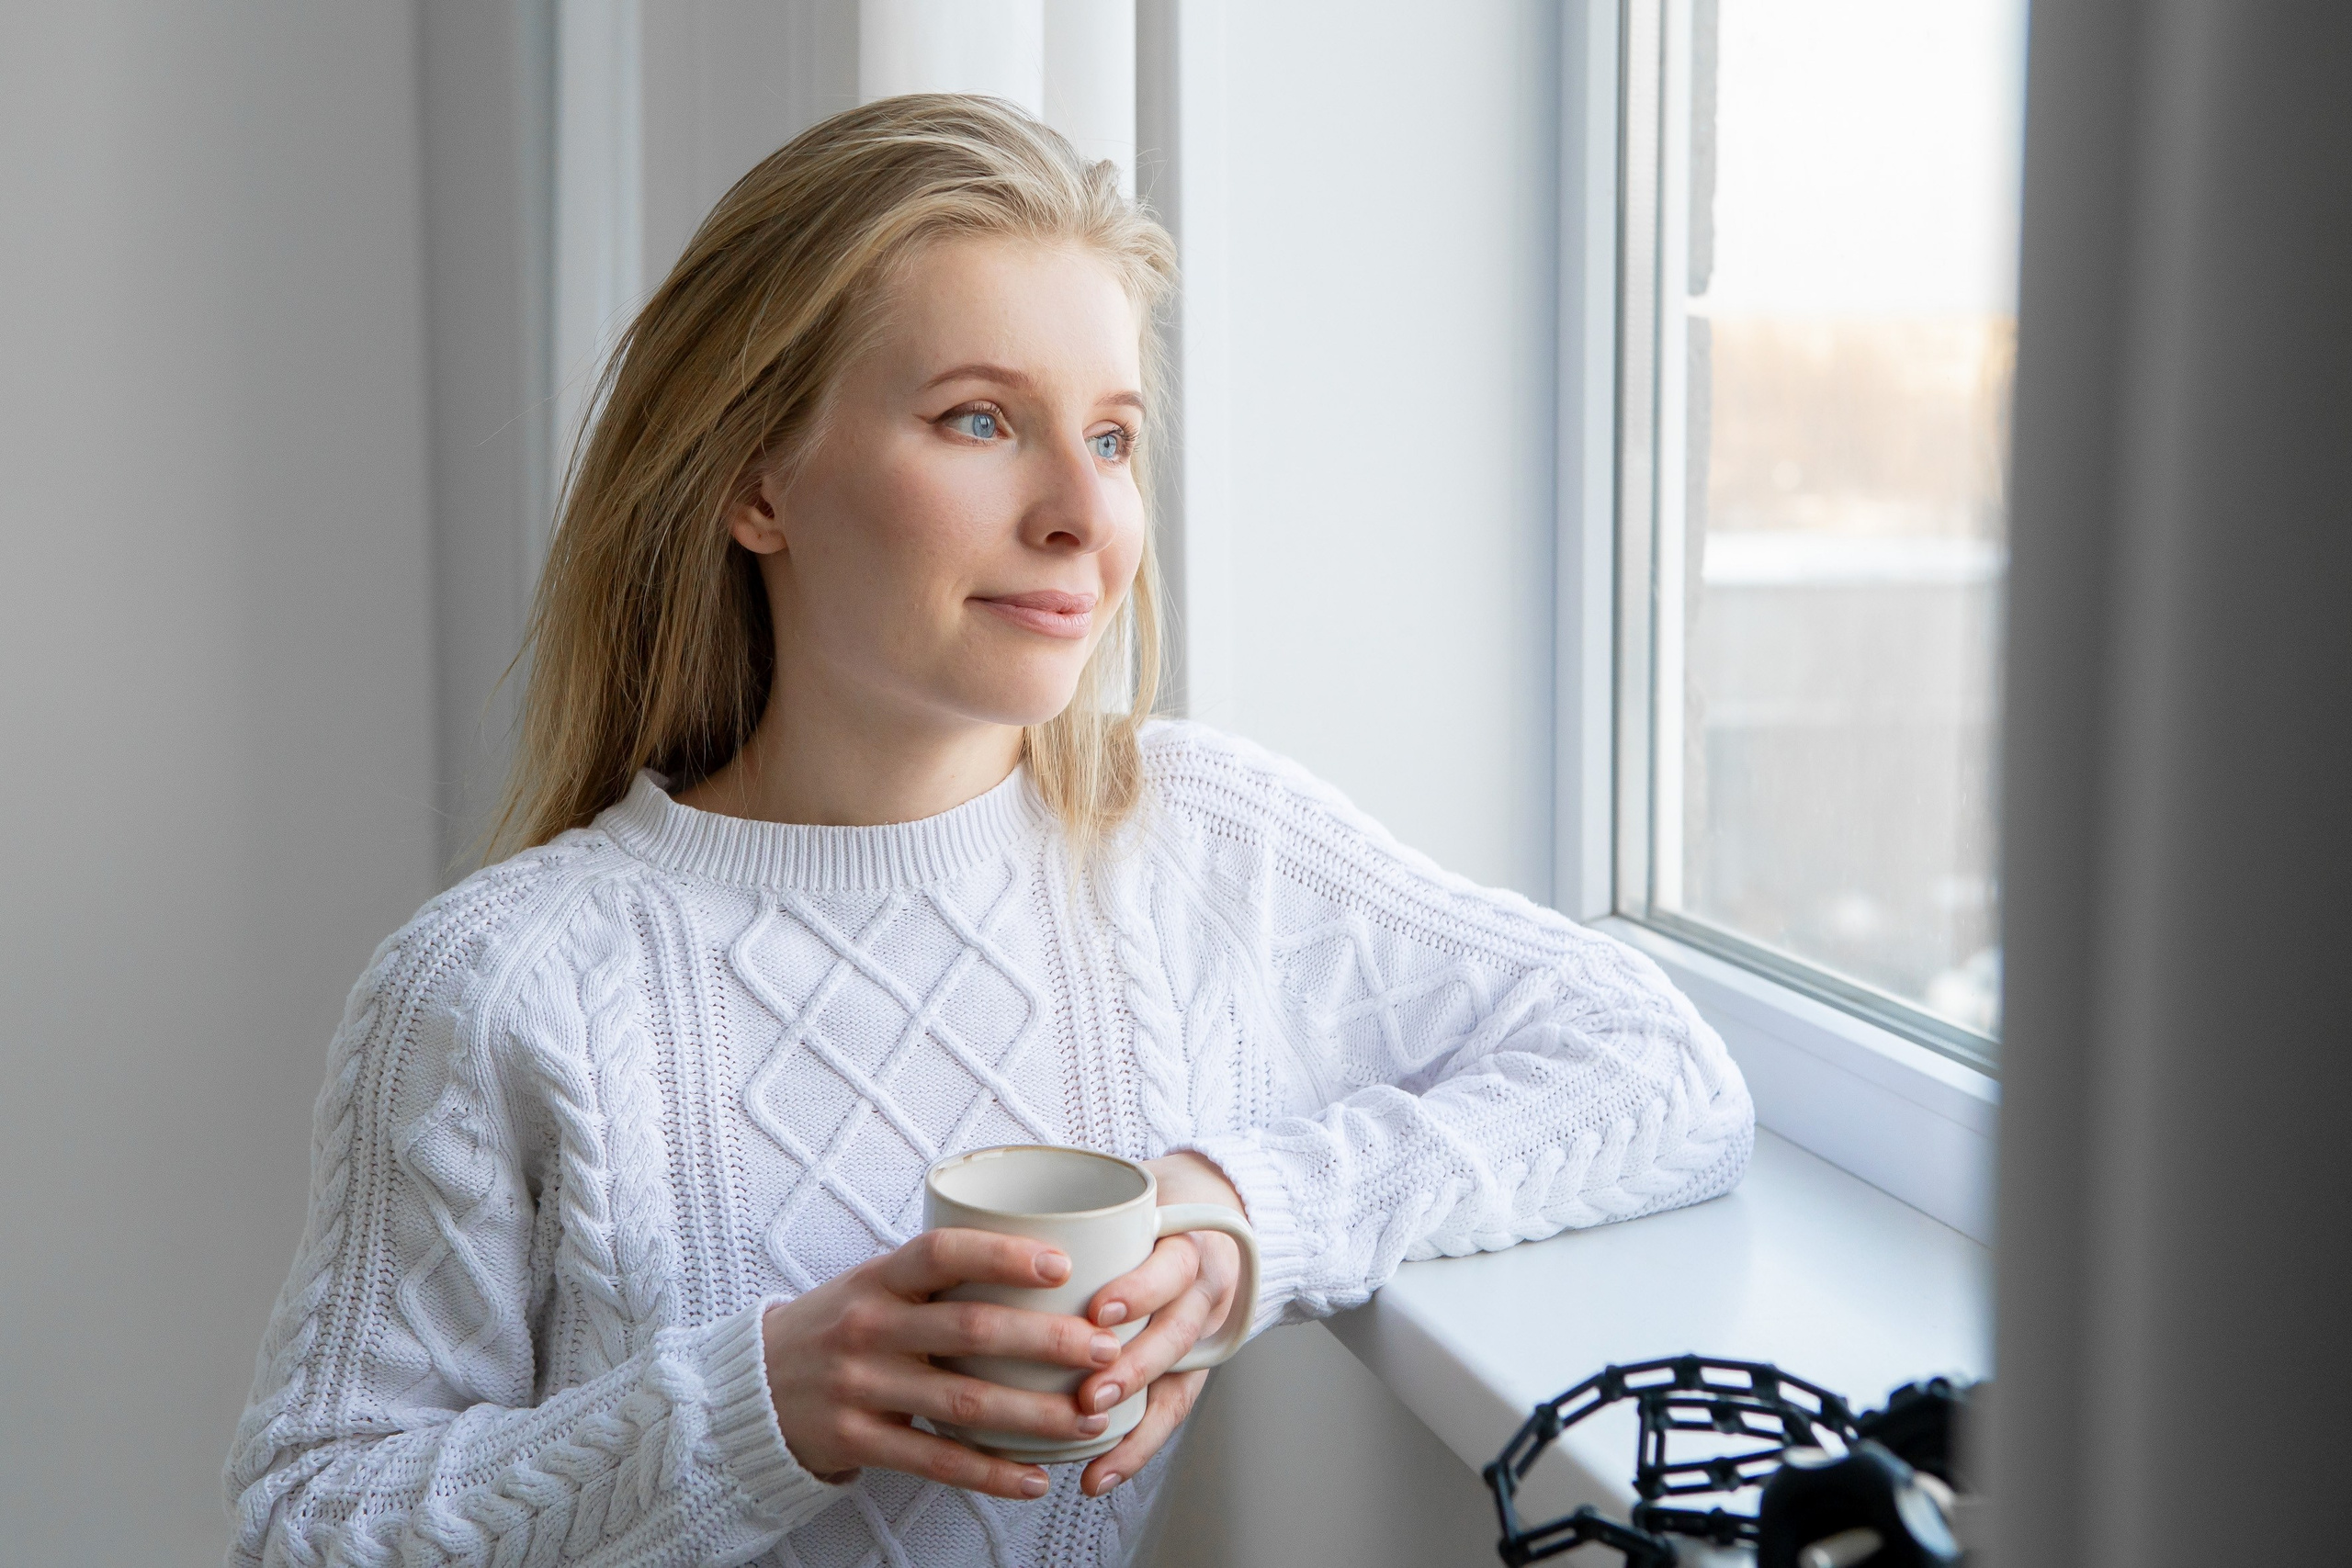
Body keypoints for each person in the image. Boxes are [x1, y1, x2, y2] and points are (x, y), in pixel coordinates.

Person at [224, 95, 1754, 1568]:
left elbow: (1663, 1074)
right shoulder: (498, 982)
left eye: (1109, 436)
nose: (1083, 517)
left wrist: (1241, 1221)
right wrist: (760, 1409)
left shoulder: (1199, 845)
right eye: (979, 419)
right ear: (756, 478)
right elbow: (307, 1524)